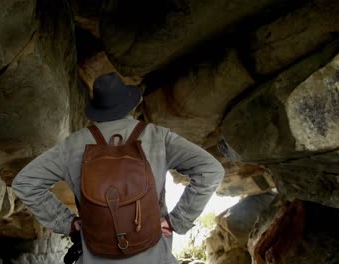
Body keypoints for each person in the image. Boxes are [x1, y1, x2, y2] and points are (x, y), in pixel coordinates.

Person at [12, 72, 225, 264]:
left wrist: (67, 223)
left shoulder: (73, 145)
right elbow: (211, 170)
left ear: (97, 110)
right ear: (129, 104)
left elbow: (25, 183)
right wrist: (177, 220)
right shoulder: (157, 137)